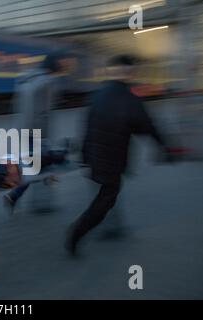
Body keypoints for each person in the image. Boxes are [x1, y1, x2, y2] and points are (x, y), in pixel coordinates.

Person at [64, 55, 170, 256]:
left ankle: (112, 228)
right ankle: (76, 233)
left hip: (94, 157)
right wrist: (165, 147)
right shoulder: (130, 100)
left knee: (105, 196)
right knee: (105, 200)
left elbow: (86, 129)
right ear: (130, 72)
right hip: (112, 160)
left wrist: (84, 157)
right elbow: (148, 127)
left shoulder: (96, 95)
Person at [4, 50, 71, 212]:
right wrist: (45, 138)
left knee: (35, 167)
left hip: (20, 129)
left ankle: (20, 197)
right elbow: (44, 113)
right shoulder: (48, 82)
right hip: (36, 133)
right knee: (43, 167)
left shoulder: (27, 77)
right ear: (54, 64)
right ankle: (34, 201)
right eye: (61, 63)